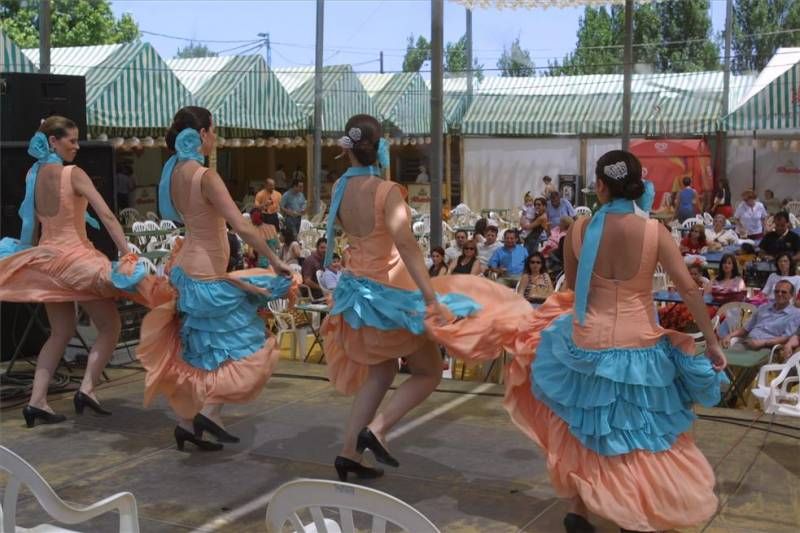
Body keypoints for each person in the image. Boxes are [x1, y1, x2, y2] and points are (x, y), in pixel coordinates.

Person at [504, 150, 728, 533]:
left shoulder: (577, 229)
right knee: (637, 436)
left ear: (601, 186)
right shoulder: (653, 231)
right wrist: (712, 341)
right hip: (638, 348)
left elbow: (576, 290)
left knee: (582, 424)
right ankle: (630, 515)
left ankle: (580, 508)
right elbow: (688, 290)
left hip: (584, 343)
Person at [320, 114, 534, 482]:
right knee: (429, 371)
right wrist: (432, 297)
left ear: (349, 149)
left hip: (356, 294)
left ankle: (349, 452)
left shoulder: (340, 187)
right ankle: (379, 430)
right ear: (380, 147)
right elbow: (407, 247)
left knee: (381, 371)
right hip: (388, 295)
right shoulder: (386, 191)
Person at [135, 106, 294, 452]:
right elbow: (240, 226)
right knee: (250, 344)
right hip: (206, 274)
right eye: (214, 130)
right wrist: (275, 259)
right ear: (202, 134)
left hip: (189, 270)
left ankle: (187, 424)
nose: (216, 137)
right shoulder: (206, 176)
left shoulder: (175, 172)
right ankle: (209, 411)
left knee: (204, 352)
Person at [0, 116, 143, 427]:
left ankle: (36, 402)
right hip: (76, 260)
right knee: (111, 325)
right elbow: (106, 214)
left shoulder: (33, 175)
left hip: (48, 260)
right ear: (53, 141)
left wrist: (31, 259)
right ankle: (87, 388)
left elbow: (31, 227)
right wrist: (127, 253)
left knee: (61, 332)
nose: (77, 146)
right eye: (72, 141)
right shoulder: (72, 174)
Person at [721, 280, 800, 350]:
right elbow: (745, 329)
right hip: (747, 342)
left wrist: (763, 343)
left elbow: (786, 338)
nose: (779, 294)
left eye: (784, 292)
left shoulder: (795, 314)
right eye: (776, 291)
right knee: (721, 354)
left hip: (768, 348)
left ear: (791, 295)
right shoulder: (763, 308)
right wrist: (729, 335)